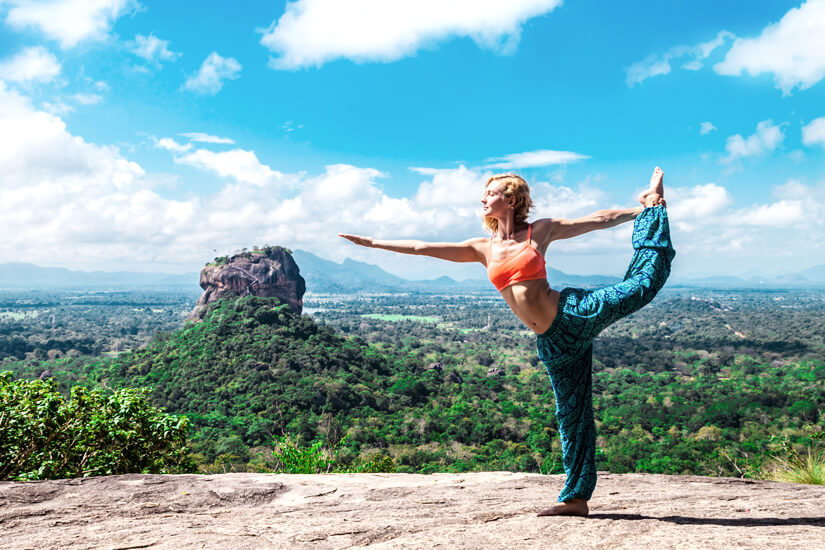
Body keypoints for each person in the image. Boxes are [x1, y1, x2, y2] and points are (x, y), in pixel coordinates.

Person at [339, 167, 675, 517]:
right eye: (483, 194)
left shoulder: (539, 231)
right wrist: (374, 242)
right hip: (554, 342)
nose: (483, 198)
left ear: (511, 200)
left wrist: (643, 211)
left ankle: (653, 205)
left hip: (574, 313)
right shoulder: (482, 247)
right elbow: (423, 247)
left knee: (641, 286)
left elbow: (597, 219)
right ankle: (576, 498)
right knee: (572, 415)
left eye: (491, 193)